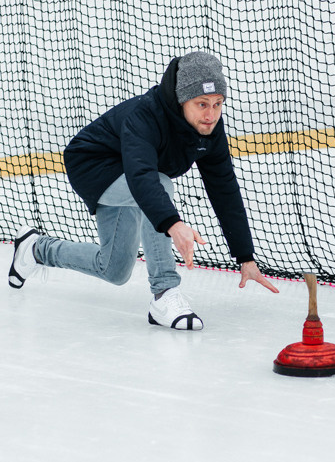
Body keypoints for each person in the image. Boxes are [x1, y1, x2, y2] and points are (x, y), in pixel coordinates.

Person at [8, 52, 278, 329]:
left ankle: (35, 249)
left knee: (114, 269)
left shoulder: (209, 128)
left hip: (131, 174)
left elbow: (224, 188)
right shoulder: (146, 116)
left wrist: (245, 256)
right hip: (92, 166)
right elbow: (142, 177)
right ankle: (164, 293)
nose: (211, 115)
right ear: (182, 100)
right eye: (202, 104)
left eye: (217, 104)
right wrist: (173, 223)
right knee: (161, 184)